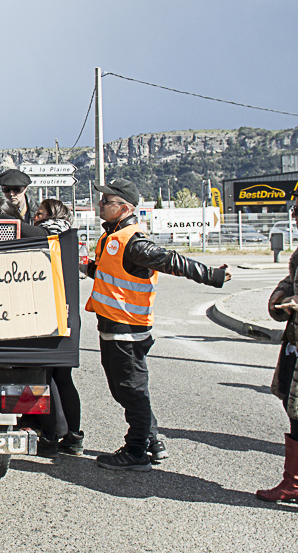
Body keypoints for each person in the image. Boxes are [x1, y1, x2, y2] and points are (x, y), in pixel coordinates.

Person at [85, 178, 230, 470]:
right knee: (126, 389)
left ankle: (136, 450)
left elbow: (171, 261)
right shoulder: (112, 238)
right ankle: (152, 442)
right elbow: (109, 275)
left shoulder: (133, 241)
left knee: (131, 391)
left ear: (124, 208)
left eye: (106, 201)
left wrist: (211, 275)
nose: (100, 205)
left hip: (127, 330)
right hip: (117, 327)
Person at [257, 176, 298, 516]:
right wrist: (281, 297)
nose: (294, 216)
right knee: (297, 411)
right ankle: (296, 483)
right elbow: (291, 279)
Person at [26, 199, 84, 458]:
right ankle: (73, 436)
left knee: (45, 377)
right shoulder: (70, 235)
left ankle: (52, 434)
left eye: (40, 214)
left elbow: (28, 231)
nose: (36, 218)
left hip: (50, 317)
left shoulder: (50, 233)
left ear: (53, 215)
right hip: (68, 316)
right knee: (63, 378)